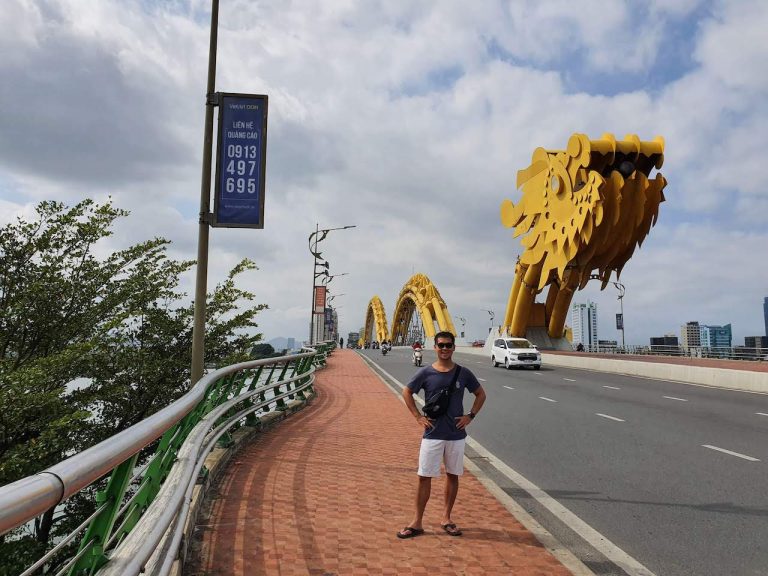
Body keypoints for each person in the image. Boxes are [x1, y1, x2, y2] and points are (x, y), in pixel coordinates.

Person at [397, 331, 486, 539]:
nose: (444, 349)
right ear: (435, 347)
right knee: (424, 476)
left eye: (448, 345)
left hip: (456, 434)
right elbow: (407, 392)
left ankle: (446, 518)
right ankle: (417, 522)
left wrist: (470, 416)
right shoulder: (426, 373)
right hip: (433, 434)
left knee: (453, 475)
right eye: (441, 345)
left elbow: (481, 394)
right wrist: (417, 416)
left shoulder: (463, 373)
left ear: (454, 348)